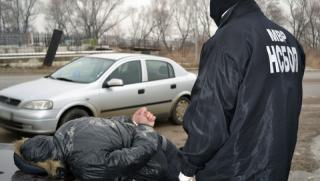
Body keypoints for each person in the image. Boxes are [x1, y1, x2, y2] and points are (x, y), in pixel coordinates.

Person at [179, 0, 305, 180]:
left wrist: (188, 166)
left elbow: (209, 116)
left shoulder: (227, 40)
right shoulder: (290, 41)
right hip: (276, 167)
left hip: (233, 170)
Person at [14, 107, 181, 181]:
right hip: (160, 145)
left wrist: (143, 127)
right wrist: (132, 121)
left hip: (160, 162)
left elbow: (136, 155)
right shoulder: (66, 128)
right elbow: (105, 124)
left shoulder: (85, 165)